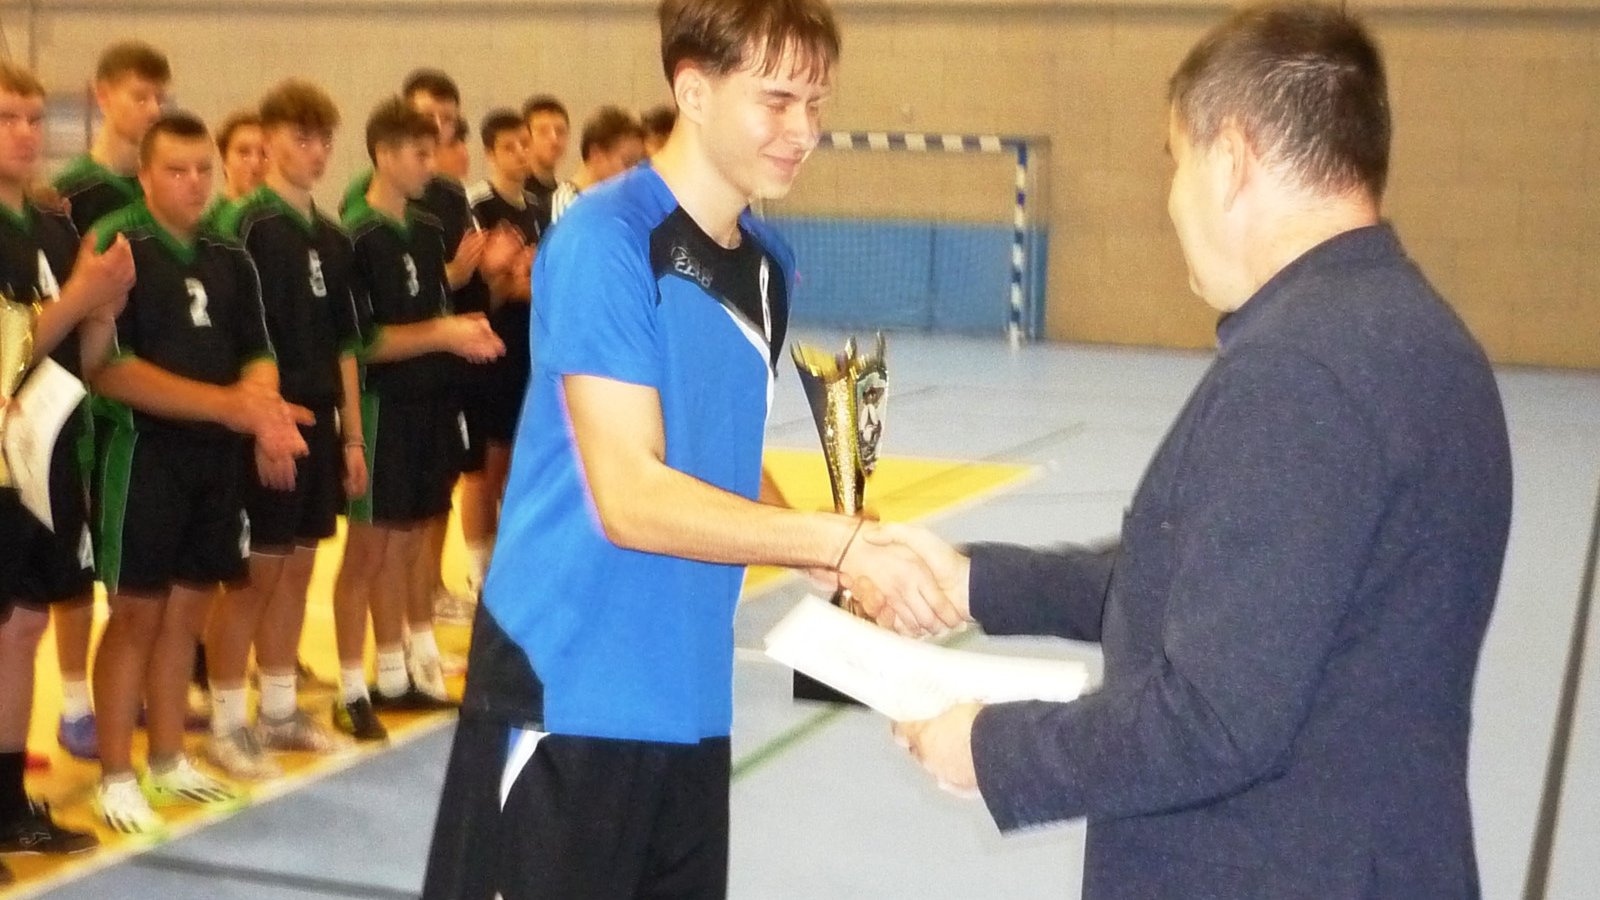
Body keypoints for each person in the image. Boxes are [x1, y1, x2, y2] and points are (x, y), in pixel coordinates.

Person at [884, 4, 1513, 896]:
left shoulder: (1300, 372)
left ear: (1232, 159)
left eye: (1175, 161)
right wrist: (975, 583)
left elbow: (1213, 718)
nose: (1172, 197)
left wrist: (992, 748)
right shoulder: (1420, 338)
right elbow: (1227, 587)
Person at [421, 1, 960, 897]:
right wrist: (833, 543)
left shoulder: (768, 267)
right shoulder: (606, 241)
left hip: (692, 703)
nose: (804, 131)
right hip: (570, 693)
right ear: (695, 91)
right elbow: (632, 496)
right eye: (777, 100)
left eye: (817, 105)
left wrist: (831, 555)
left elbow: (716, 456)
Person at [86, 112, 312, 835]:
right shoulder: (118, 244)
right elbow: (107, 368)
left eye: (202, 170)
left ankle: (167, 759)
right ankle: (115, 775)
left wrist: (264, 414)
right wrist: (230, 406)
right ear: (145, 175)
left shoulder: (227, 252)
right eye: (176, 170)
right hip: (142, 455)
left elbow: (258, 350)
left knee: (188, 611)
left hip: (215, 461)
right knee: (135, 615)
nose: (193, 183)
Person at [331, 98, 503, 742]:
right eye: (419, 154)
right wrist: (442, 332)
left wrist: (466, 332)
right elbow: (362, 341)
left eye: (434, 153)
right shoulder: (357, 236)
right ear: (383, 155)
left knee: (408, 543)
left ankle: (400, 672)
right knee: (367, 551)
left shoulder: (427, 228)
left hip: (430, 404)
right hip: (382, 408)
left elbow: (433, 316)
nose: (432, 165)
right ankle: (351, 688)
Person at [204, 79, 362, 779]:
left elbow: (345, 344)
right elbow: (233, 342)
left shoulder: (330, 235)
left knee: (297, 570)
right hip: (265, 423)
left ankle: (278, 709)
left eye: (324, 138)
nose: (317, 151)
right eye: (302, 138)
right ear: (268, 142)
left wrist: (353, 437)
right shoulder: (244, 226)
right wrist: (264, 426)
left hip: (320, 423)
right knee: (254, 576)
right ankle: (226, 721)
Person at [0, 60, 134, 863]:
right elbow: (9, 349)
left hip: (50, 451)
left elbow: (84, 358)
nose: (25, 132)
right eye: (6, 118)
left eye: (32, 117)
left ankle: (8, 798)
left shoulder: (51, 228)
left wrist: (106, 307)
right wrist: (82, 296)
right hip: (2, 456)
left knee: (25, 626)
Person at [48, 39, 171, 763]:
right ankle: (73, 703)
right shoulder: (71, 192)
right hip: (84, 395)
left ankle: (139, 691)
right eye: (138, 96)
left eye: (160, 98)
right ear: (102, 96)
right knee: (79, 553)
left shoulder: (160, 190)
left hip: (147, 396)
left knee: (133, 566)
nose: (151, 109)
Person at [461, 110, 541, 602]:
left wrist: (526, 279)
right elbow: (484, 287)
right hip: (488, 351)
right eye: (510, 146)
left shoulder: (535, 208)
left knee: (516, 462)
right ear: (490, 152)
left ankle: (510, 559)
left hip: (527, 350)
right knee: (484, 468)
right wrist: (510, 279)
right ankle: (478, 566)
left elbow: (533, 279)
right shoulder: (479, 205)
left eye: (524, 144)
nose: (521, 154)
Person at [547, 106, 645, 225]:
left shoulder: (613, 204)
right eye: (627, 162)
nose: (633, 172)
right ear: (596, 154)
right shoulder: (568, 204)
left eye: (637, 164)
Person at [201, 110, 267, 231]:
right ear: (224, 160)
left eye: (264, 153)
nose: (255, 162)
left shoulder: (281, 217)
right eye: (244, 152)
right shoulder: (207, 226)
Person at [519, 94, 568, 232]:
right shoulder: (517, 196)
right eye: (543, 131)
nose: (554, 139)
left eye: (560, 131)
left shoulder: (561, 196)